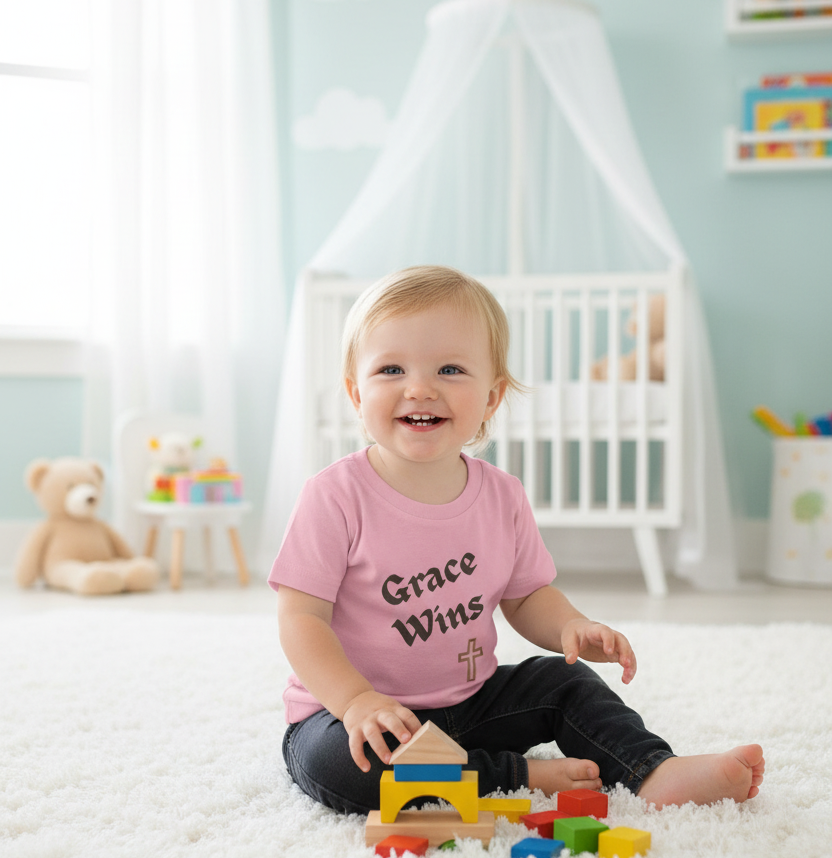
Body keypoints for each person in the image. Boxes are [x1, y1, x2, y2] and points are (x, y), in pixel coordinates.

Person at [271, 265, 764, 815]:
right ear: (355, 394)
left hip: (471, 701)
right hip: (352, 716)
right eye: (390, 369)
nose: (420, 388)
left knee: (562, 682)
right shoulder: (334, 497)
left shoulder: (500, 495)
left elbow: (527, 595)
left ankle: (653, 770)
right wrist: (355, 700)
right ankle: (513, 775)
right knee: (342, 768)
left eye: (450, 368)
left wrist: (569, 625)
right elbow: (301, 618)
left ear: (491, 397)